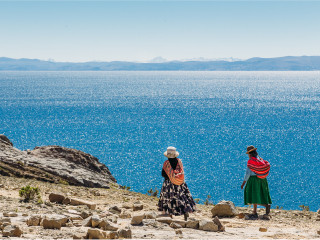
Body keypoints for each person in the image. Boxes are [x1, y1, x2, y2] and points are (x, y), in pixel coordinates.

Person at [158, 146, 196, 221]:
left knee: (169, 198)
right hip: (180, 183)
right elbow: (181, 172)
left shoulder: (166, 163)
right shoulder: (179, 162)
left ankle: (170, 214)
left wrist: (170, 175)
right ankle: (185, 213)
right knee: (182, 198)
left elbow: (163, 174)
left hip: (169, 184)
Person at [241, 145, 272, 220]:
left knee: (251, 194)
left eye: (248, 154)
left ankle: (261, 208)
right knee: (258, 194)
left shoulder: (251, 161)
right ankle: (256, 210)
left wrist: (243, 183)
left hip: (253, 179)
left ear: (250, 154)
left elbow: (248, 173)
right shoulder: (260, 159)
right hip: (262, 179)